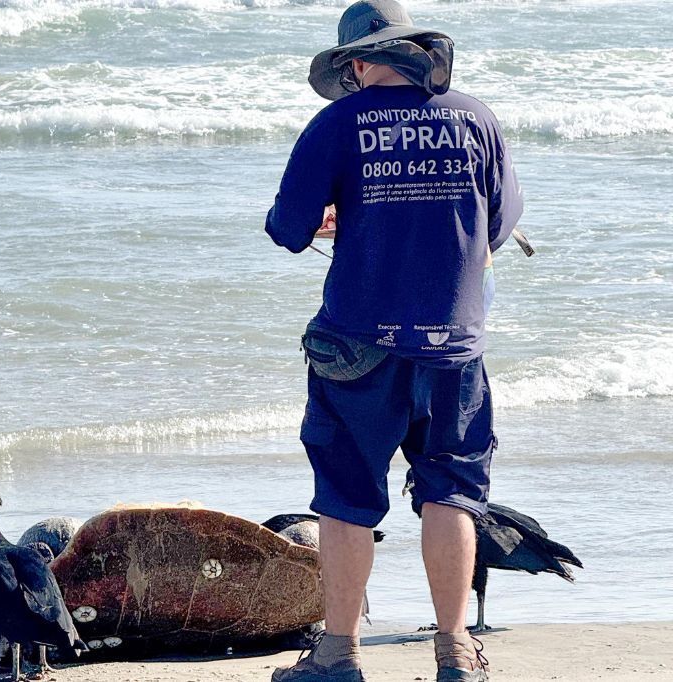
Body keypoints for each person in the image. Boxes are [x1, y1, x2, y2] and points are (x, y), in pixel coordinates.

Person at [264, 1, 523, 681]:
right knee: (449, 494)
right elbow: (494, 227)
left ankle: (339, 654)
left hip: (358, 344)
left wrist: (337, 218)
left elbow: (287, 228)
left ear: (355, 61)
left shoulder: (335, 124)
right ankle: (455, 649)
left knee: (346, 499)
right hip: (454, 346)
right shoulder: (476, 118)